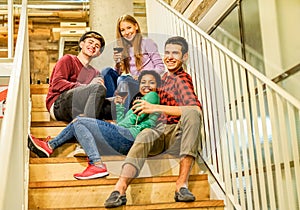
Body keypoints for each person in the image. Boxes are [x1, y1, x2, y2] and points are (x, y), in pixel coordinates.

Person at [104, 36, 203, 208]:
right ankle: (119, 188)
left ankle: (182, 185)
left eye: (175, 53)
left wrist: (155, 108)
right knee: (146, 133)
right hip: (159, 131)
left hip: (177, 134)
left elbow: (194, 110)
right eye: (167, 52)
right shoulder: (162, 80)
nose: (170, 57)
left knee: (193, 113)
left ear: (184, 57)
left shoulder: (182, 79)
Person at [28, 70, 162, 180]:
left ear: (157, 86)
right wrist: (120, 106)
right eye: (143, 82)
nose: (146, 85)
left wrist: (105, 124)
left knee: (81, 121)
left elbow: (125, 125)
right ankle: (52, 147)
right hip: (125, 140)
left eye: (151, 82)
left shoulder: (152, 96)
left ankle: (54, 146)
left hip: (131, 136)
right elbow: (122, 122)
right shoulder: (140, 101)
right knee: (79, 123)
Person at [102, 14, 165, 110]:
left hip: (143, 84)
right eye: (122, 30)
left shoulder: (147, 42)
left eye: (129, 28)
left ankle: (120, 112)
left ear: (136, 26)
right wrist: (118, 63)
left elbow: (160, 67)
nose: (126, 32)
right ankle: (111, 106)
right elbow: (119, 73)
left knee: (123, 80)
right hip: (129, 82)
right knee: (106, 71)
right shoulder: (123, 48)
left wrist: (143, 76)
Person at [46, 31, 111, 123]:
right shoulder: (68, 59)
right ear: (81, 44)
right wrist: (88, 87)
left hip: (83, 107)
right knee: (97, 88)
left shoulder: (96, 73)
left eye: (97, 46)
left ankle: (86, 122)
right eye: (90, 42)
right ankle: (87, 125)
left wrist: (101, 91)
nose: (93, 46)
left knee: (116, 104)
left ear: (98, 53)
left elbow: (95, 94)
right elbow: (57, 84)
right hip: (59, 104)